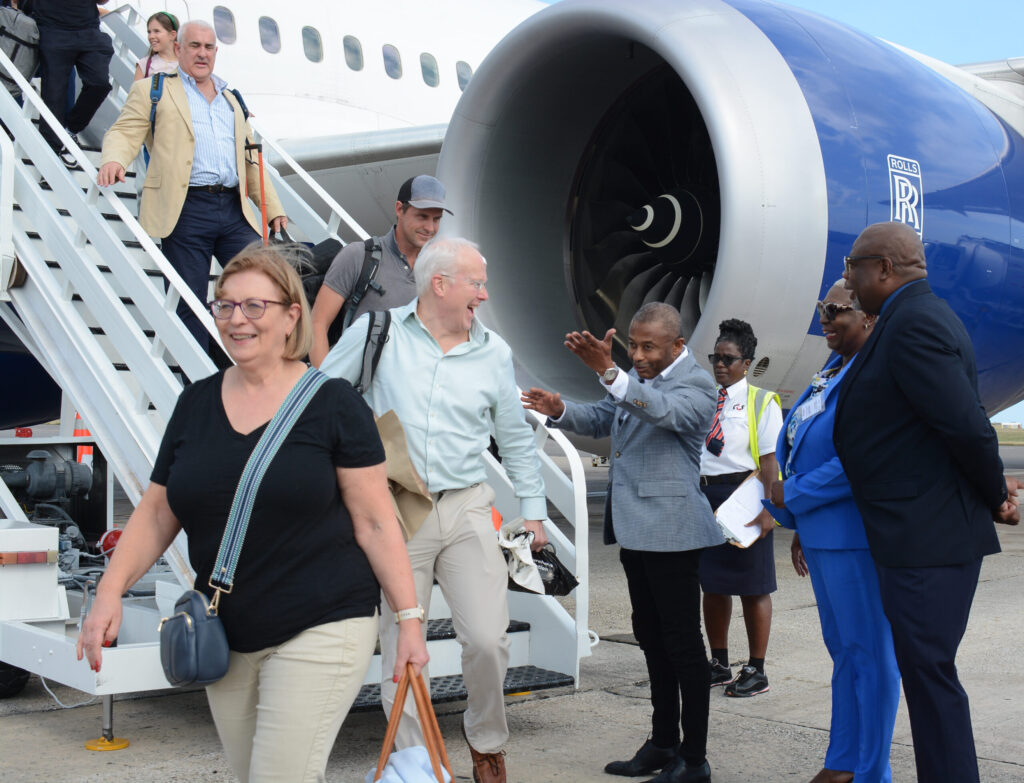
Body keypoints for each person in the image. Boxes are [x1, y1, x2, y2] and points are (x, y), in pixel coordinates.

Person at [76, 243, 428, 783]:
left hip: (324, 621)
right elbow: (156, 511)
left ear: (292, 316)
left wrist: (408, 622)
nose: (237, 320)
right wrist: (108, 592)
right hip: (227, 630)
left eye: (254, 307)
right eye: (225, 305)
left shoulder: (335, 404)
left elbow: (377, 521)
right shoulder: (194, 403)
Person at [321, 237, 546, 783]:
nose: (484, 295)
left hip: (467, 505)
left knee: (489, 640)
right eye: (476, 283)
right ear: (439, 284)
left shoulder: (492, 352)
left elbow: (514, 438)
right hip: (398, 509)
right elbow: (321, 396)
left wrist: (534, 511)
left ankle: (487, 742)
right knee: (403, 644)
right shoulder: (379, 333)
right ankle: (416, 760)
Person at [834, 221, 1019, 783]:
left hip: (928, 541)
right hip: (917, 535)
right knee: (926, 675)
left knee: (931, 677)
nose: (846, 276)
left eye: (852, 266)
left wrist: (996, 497)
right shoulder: (908, 318)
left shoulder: (914, 324)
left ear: (884, 268)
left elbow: (967, 427)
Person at [523, 303, 722, 783]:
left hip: (673, 530)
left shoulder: (696, 383)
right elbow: (606, 418)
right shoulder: (637, 378)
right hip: (636, 528)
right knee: (652, 638)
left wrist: (611, 371)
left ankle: (694, 759)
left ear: (678, 345)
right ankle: (662, 741)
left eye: (648, 346)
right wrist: (561, 409)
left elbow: (660, 413)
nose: (638, 354)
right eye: (632, 345)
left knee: (683, 645)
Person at [764, 282, 899, 783]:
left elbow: (857, 462)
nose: (825, 317)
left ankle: (872, 771)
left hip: (855, 538)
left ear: (867, 317)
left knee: (871, 656)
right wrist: (799, 522)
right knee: (844, 654)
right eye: (822, 307)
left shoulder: (873, 375)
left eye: (836, 309)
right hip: (822, 535)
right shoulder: (831, 369)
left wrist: (791, 494)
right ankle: (842, 760)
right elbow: (801, 441)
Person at [97, 20, 287, 352]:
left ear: (216, 52)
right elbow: (124, 132)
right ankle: (198, 383)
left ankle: (232, 366)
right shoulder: (152, 90)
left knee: (262, 286)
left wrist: (273, 210)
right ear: (179, 48)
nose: (202, 54)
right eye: (195, 46)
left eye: (209, 47)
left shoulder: (232, 98)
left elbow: (250, 160)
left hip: (233, 210)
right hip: (185, 208)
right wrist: (114, 160)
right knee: (190, 300)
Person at [698, 318, 782, 697]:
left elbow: (769, 462)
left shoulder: (761, 401)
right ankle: (718, 663)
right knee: (713, 586)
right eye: (716, 357)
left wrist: (768, 510)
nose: (720, 364)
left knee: (753, 587)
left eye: (728, 359)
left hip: (745, 497)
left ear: (746, 363)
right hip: (705, 499)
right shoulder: (703, 398)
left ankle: (757, 668)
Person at [309, 174, 451, 367]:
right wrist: (328, 387)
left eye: (437, 219)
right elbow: (317, 324)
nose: (430, 227)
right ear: (399, 209)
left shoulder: (438, 272)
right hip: (355, 391)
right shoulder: (357, 256)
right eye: (422, 217)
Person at [32, 0, 112, 167]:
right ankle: (50, 158)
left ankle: (71, 131)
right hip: (52, 28)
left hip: (88, 29)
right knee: (54, 95)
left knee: (100, 83)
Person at [133, 11, 178, 81]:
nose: (151, 36)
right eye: (149, 32)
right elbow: (135, 91)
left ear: (172, 35)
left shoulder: (185, 66)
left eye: (156, 31)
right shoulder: (144, 64)